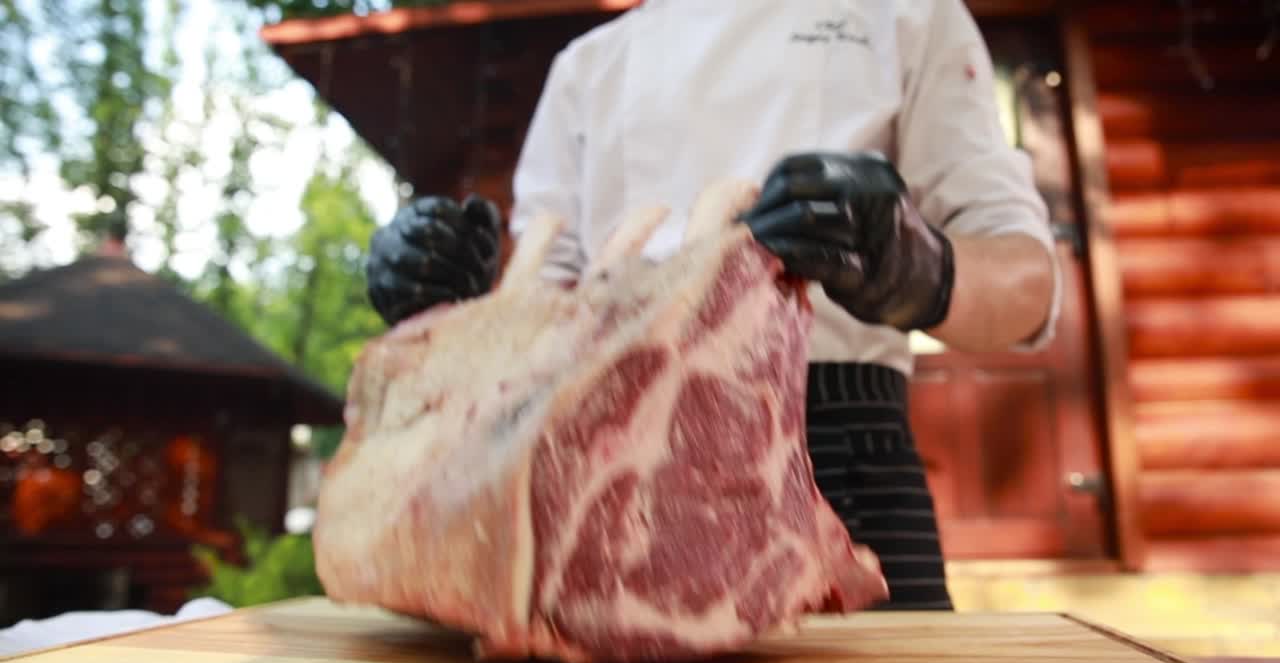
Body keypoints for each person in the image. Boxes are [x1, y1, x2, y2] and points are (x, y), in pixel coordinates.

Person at [365, 0, 1060, 611]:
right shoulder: (589, 67)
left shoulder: (905, 14)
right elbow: (544, 299)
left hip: (841, 465)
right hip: (606, 474)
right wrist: (448, 305)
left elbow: (1028, 280)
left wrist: (915, 267)